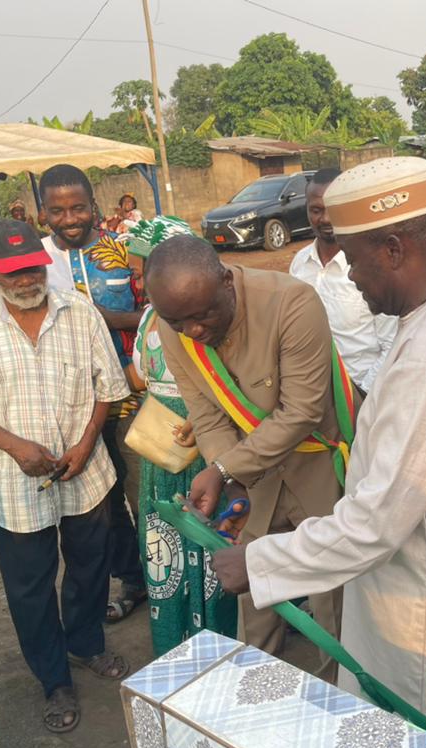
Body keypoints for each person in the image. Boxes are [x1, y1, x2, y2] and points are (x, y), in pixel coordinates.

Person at [206, 156, 426, 748]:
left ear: (394, 247)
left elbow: (375, 524)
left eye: (351, 257)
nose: (348, 275)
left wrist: (260, 560)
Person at [0, 218, 130, 734]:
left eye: (31, 269)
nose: (25, 281)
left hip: (85, 473)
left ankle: (85, 644)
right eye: (12, 272)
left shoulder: (80, 312)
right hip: (12, 482)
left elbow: (109, 387)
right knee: (29, 588)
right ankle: (53, 677)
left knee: (90, 568)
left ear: (43, 262)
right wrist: (16, 446)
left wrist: (86, 445)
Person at [144, 235, 349, 684]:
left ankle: (341, 700)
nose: (194, 331)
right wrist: (228, 473)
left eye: (203, 315)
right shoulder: (172, 327)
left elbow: (301, 412)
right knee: (255, 600)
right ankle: (256, 695)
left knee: (333, 603)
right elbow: (207, 413)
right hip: (252, 481)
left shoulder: (291, 302)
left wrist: (224, 469)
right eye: (179, 321)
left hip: (316, 467)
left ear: (225, 281)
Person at [125, 217, 239, 656]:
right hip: (158, 451)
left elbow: (232, 382)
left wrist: (201, 415)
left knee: (208, 535)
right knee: (164, 546)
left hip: (203, 446)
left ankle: (217, 645)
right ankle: (174, 646)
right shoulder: (152, 316)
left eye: (143, 269)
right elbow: (141, 375)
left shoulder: (205, 316)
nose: (139, 279)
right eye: (139, 273)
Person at [40, 164, 146, 624]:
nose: (70, 218)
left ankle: (169, 579)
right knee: (101, 501)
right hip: (73, 402)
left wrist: (102, 316)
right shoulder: (35, 262)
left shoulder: (124, 249)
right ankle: (133, 580)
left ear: (93, 205)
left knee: (146, 491)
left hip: (133, 395)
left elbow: (157, 311)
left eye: (78, 206)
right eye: (58, 210)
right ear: (44, 213)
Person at [288, 168, 396, 394]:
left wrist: (361, 397)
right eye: (316, 210)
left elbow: (392, 345)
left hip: (363, 393)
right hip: (314, 394)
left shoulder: (373, 268)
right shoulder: (299, 264)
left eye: (333, 209)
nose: (325, 219)